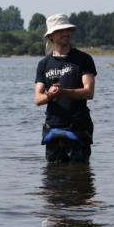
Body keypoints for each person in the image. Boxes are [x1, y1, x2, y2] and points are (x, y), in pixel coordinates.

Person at [34, 14, 97, 163]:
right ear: (50, 36)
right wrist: (50, 95)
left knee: (80, 178)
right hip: (53, 128)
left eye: (68, 30)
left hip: (78, 126)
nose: (66, 33)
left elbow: (89, 92)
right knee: (53, 179)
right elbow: (37, 99)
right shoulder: (43, 64)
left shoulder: (83, 59)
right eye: (61, 30)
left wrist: (64, 92)